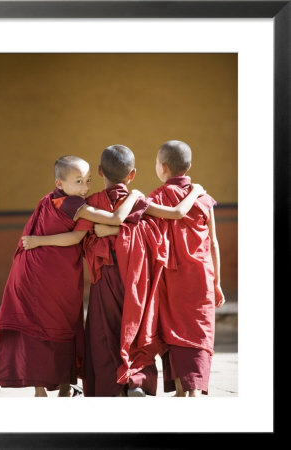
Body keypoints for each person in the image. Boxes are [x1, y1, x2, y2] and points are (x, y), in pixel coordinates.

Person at [22, 145, 206, 397]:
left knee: (102, 334)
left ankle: (109, 389)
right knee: (139, 330)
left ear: (98, 172)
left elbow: (81, 235)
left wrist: (113, 232)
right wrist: (195, 191)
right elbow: (159, 232)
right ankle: (137, 381)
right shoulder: (140, 200)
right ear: (132, 175)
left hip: (104, 277)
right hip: (136, 278)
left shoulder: (91, 202)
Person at [0, 155, 145, 397]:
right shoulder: (74, 204)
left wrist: (36, 241)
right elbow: (107, 222)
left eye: (88, 180)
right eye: (78, 181)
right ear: (60, 183)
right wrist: (134, 196)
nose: (85, 188)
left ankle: (52, 387)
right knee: (56, 326)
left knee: (39, 326)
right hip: (45, 274)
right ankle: (54, 386)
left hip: (34, 270)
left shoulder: (51, 198)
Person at [149, 140, 226, 397]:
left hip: (170, 280)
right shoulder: (204, 198)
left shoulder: (157, 198)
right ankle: (195, 390)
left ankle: (182, 389)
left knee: (173, 329)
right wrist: (217, 282)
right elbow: (213, 242)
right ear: (189, 166)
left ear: (162, 167)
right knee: (199, 330)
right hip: (202, 277)